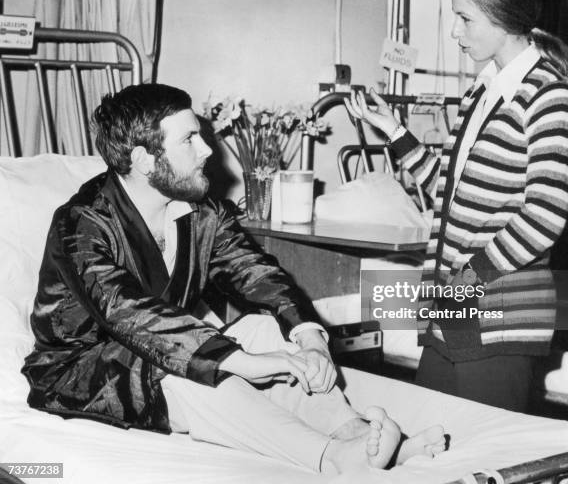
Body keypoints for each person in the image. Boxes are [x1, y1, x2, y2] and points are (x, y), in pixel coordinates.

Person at [22, 83, 445, 474]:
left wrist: (308, 337)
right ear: (142, 159)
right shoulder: (81, 226)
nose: (207, 149)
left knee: (261, 328)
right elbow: (127, 312)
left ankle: (355, 435)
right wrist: (242, 363)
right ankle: (330, 459)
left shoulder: (202, 211)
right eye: (189, 139)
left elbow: (255, 273)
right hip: (86, 373)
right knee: (198, 369)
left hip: (171, 347)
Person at [345, 0, 568, 412]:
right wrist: (393, 131)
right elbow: (448, 192)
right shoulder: (483, 89)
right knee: (429, 441)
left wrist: (470, 279)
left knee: (486, 460)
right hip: (453, 307)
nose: (455, 32)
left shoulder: (548, 98)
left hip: (500, 313)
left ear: (501, 15)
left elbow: (544, 217)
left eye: (465, 19)